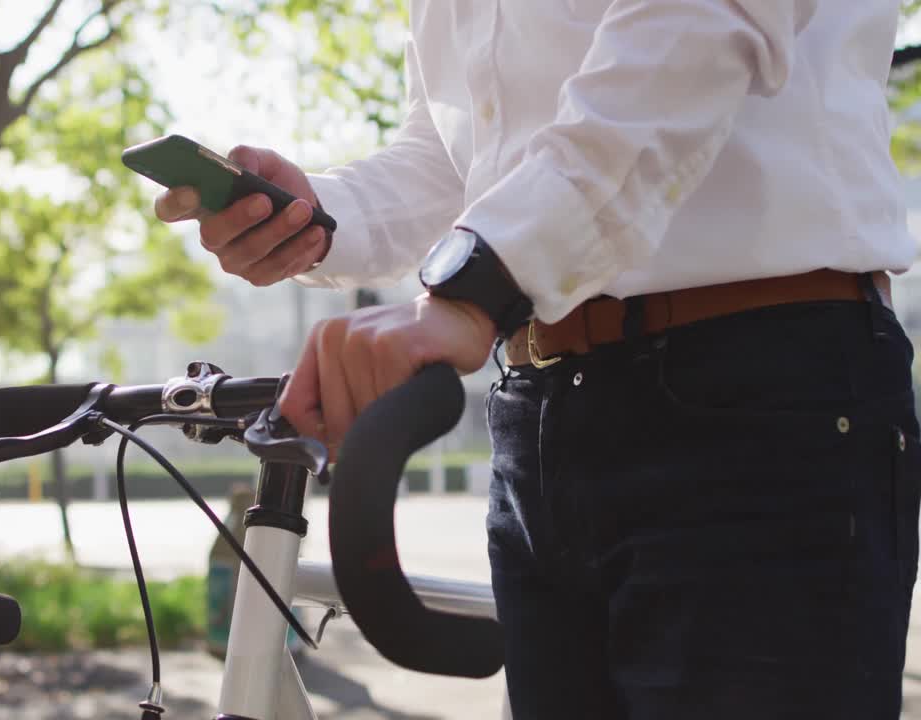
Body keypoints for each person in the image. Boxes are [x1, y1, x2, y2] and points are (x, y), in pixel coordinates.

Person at [155, 2, 919, 718]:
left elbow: (692, 35)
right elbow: (464, 160)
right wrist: (317, 218)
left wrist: (479, 286)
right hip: (539, 405)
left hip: (758, 390)